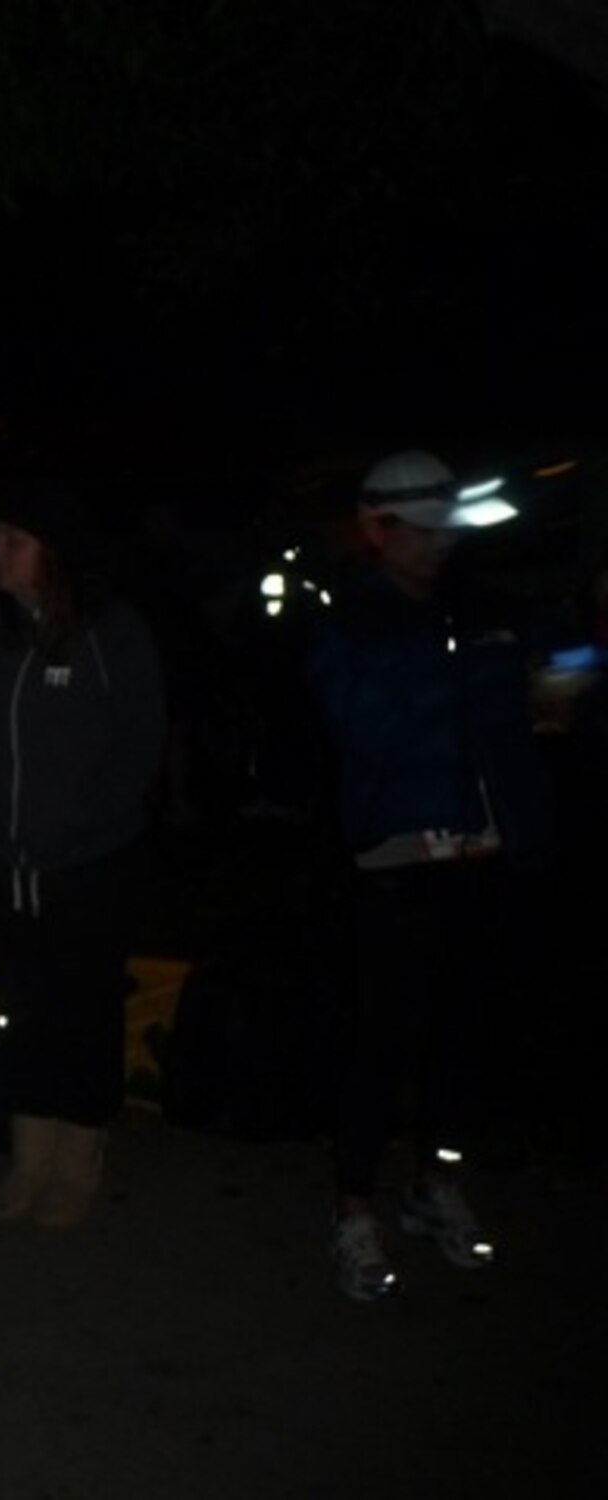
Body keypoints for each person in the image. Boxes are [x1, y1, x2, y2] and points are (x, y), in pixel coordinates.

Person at [308, 449, 544, 1302]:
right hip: (400, 861)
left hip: (482, 857)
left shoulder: (476, 610)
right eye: (424, 530)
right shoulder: (353, 622)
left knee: (462, 1035)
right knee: (383, 1040)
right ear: (380, 530)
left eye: (449, 529)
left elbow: (515, 722)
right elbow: (363, 725)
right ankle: (354, 1205)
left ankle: (433, 1181)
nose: (440, 547)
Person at [0, 474, 165, 1230]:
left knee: (83, 1012)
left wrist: (86, 828)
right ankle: (30, 1157)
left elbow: (142, 744)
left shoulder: (110, 633)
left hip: (87, 866)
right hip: (6, 865)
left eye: (11, 540)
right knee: (22, 1012)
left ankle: (78, 1159)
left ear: (50, 553)